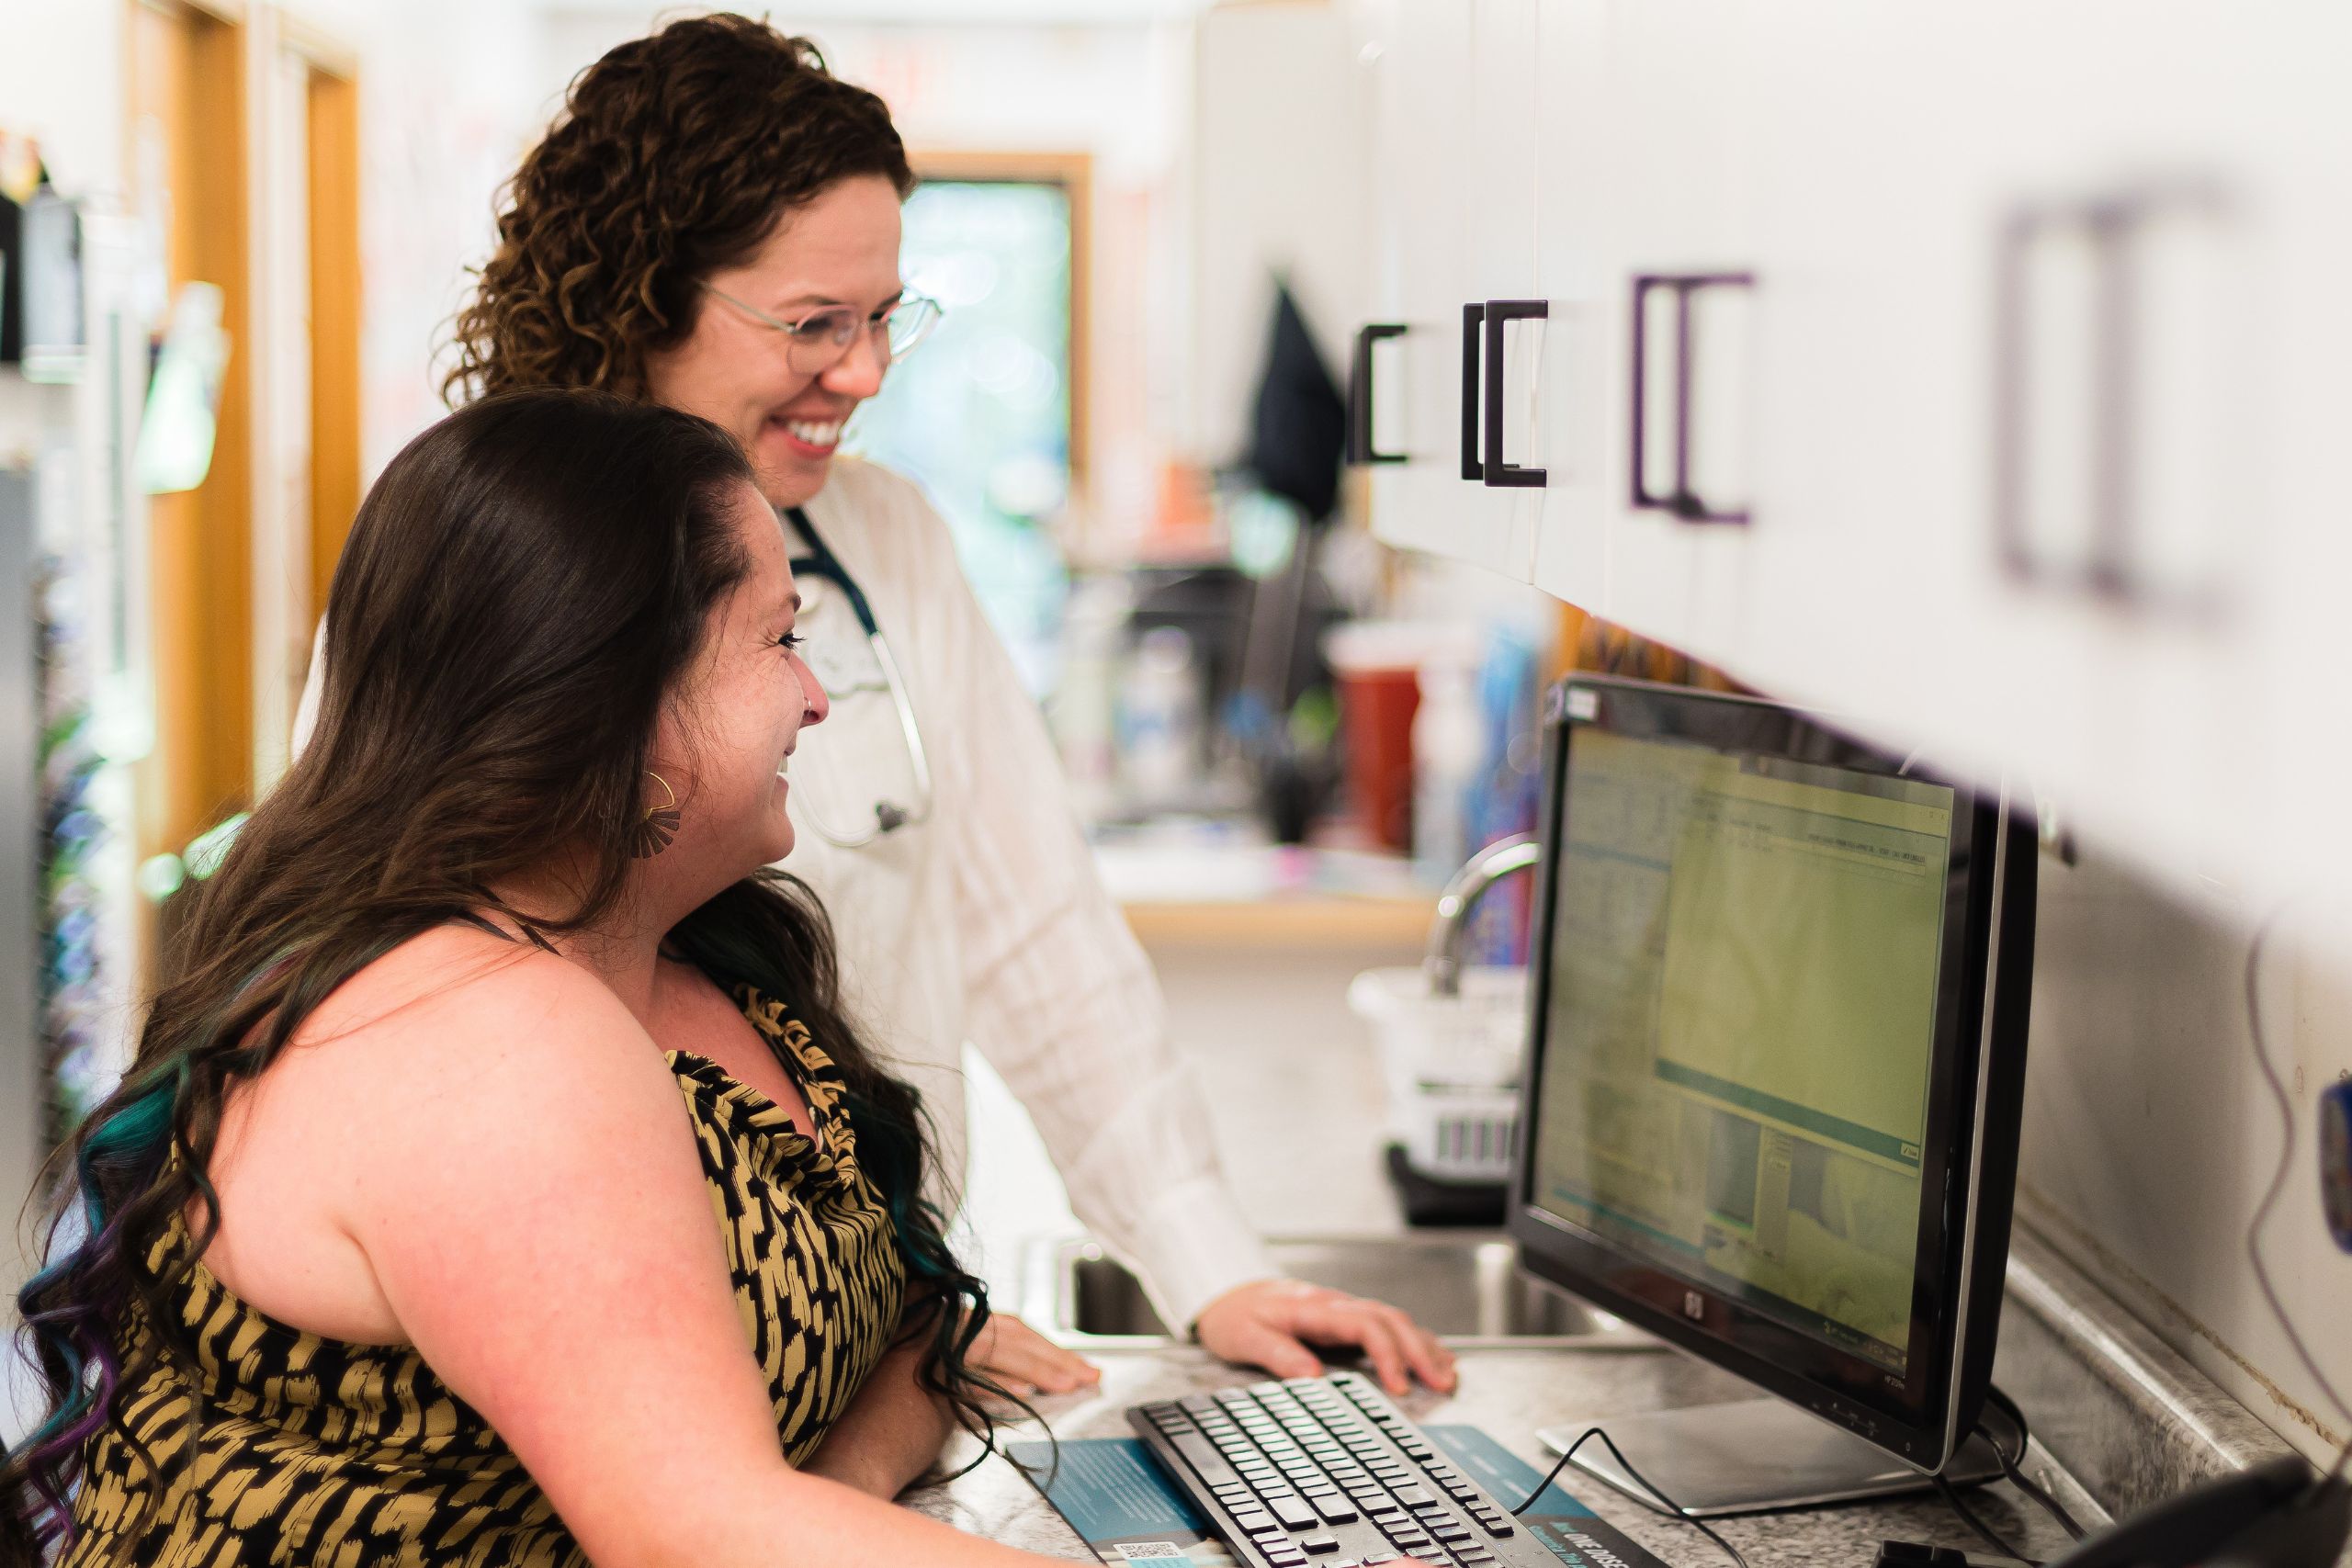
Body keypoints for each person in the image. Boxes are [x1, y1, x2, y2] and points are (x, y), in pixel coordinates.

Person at [292, 10, 1456, 1403]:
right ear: (641, 293)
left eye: (887, 316)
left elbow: (1034, 922)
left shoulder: (885, 535)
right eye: (814, 324)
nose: (866, 373)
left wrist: (1205, 1258)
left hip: (855, 1332)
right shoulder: (475, 563)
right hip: (571, 1358)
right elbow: (407, 1004)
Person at [1, 390, 1100, 1568]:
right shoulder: (479, 1035)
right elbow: (706, 1534)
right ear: (616, 698)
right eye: (780, 640)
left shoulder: (701, 957)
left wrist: (840, 1483)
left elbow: (873, 1344)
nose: (817, 696)